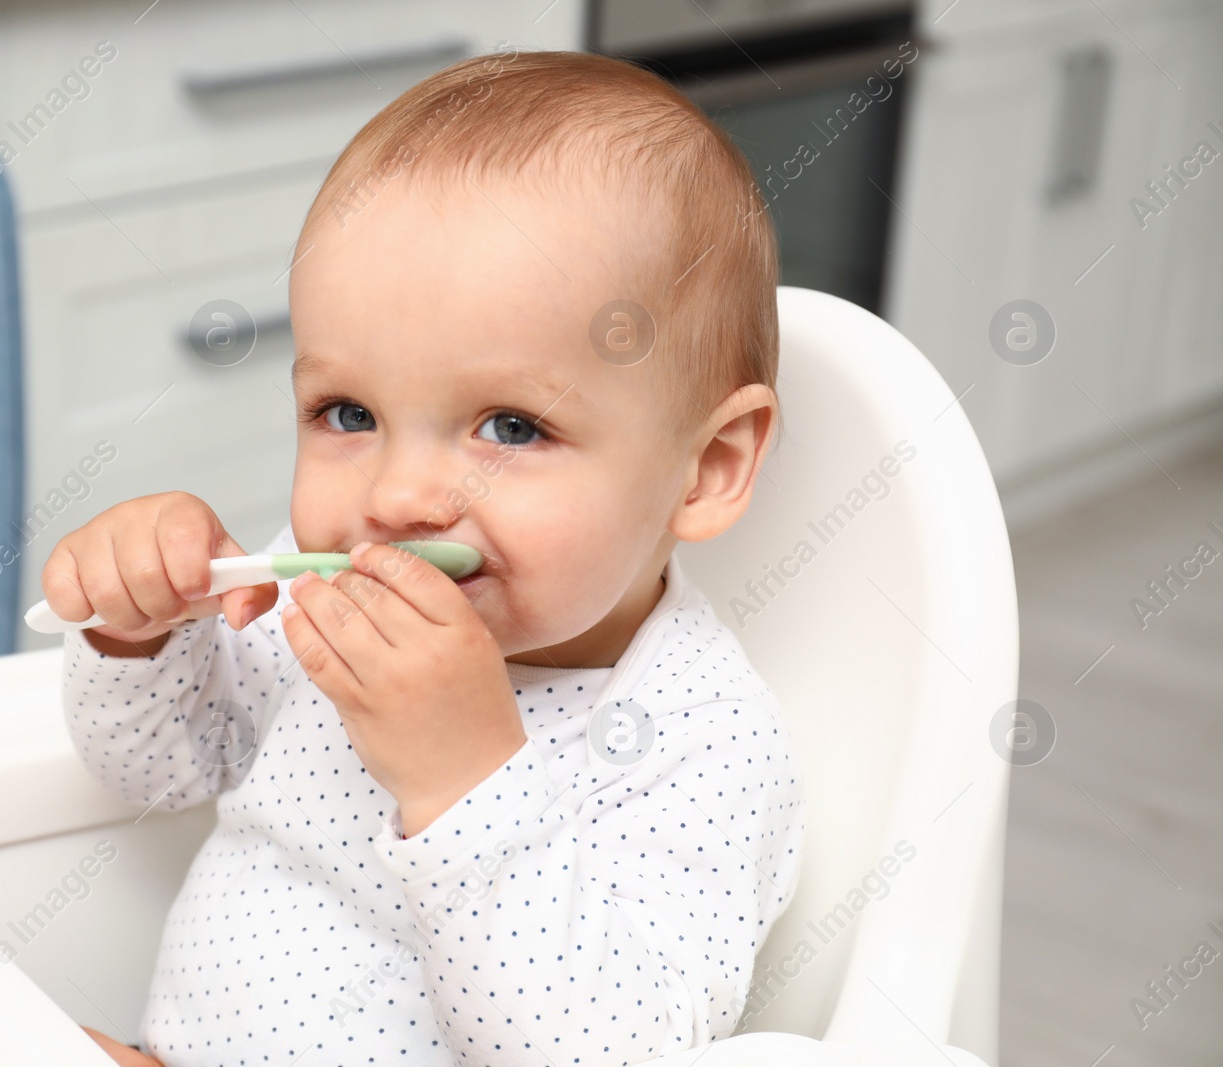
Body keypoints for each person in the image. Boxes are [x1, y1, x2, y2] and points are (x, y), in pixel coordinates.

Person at [44, 47, 805, 1067]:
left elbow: (602, 1049)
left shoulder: (700, 741)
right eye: (347, 413)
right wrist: (134, 635)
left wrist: (464, 775)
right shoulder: (321, 591)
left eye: (511, 427)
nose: (395, 498)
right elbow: (161, 765)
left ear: (704, 468)